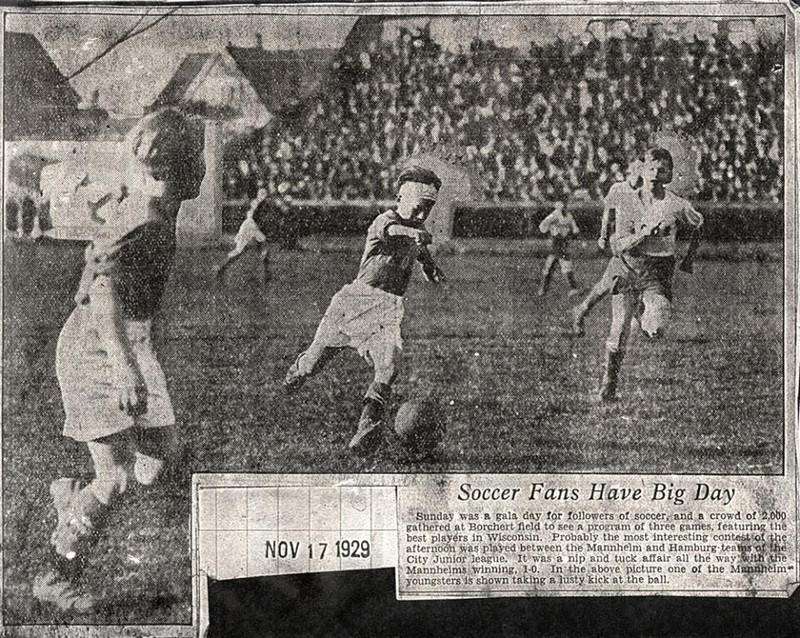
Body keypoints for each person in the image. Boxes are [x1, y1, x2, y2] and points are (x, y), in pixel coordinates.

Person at [33, 108, 206, 611]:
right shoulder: (150, 223)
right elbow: (104, 295)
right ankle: (55, 571)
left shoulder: (149, 210)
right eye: (194, 157)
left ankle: (74, 500)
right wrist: (126, 365)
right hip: (99, 344)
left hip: (128, 338)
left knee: (165, 453)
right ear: (176, 170)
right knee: (117, 476)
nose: (201, 166)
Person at [282, 166, 445, 454]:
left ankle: (367, 426)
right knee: (313, 364)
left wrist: (431, 268)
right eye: (419, 207)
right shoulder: (386, 220)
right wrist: (414, 233)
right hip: (355, 303)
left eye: (428, 209)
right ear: (401, 198)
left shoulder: (416, 231)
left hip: (389, 309)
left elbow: (421, 252)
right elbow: (395, 232)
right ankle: (300, 367)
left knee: (389, 367)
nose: (422, 215)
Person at [598, 148, 703, 402]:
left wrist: (688, 258)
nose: (656, 174)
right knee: (618, 330)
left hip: (657, 273)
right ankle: (608, 384)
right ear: (642, 171)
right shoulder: (628, 201)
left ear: (669, 176)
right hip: (628, 268)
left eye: (662, 170)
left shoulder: (676, 204)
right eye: (651, 168)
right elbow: (619, 245)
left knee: (655, 329)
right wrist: (644, 235)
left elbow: (698, 224)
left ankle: (643, 316)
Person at [571, 159, 643, 336]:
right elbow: (607, 214)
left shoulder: (646, 192)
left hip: (638, 244)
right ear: (631, 171)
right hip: (621, 242)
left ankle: (581, 311)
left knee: (609, 284)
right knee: (626, 281)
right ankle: (641, 321)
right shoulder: (618, 189)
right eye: (640, 169)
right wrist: (603, 236)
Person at [215, 186, 270, 279]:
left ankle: (266, 273)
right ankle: (221, 268)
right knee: (240, 251)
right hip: (250, 227)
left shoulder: (258, 203)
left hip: (253, 227)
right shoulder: (258, 204)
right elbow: (255, 215)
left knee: (264, 248)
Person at [537, 195, 581, 297]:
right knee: (562, 263)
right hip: (556, 242)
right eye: (561, 204)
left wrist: (574, 230)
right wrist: (553, 231)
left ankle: (544, 290)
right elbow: (542, 226)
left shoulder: (569, 216)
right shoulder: (554, 215)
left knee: (552, 264)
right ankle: (572, 288)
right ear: (557, 206)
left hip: (563, 242)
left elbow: (574, 227)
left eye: (565, 204)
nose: (564, 206)